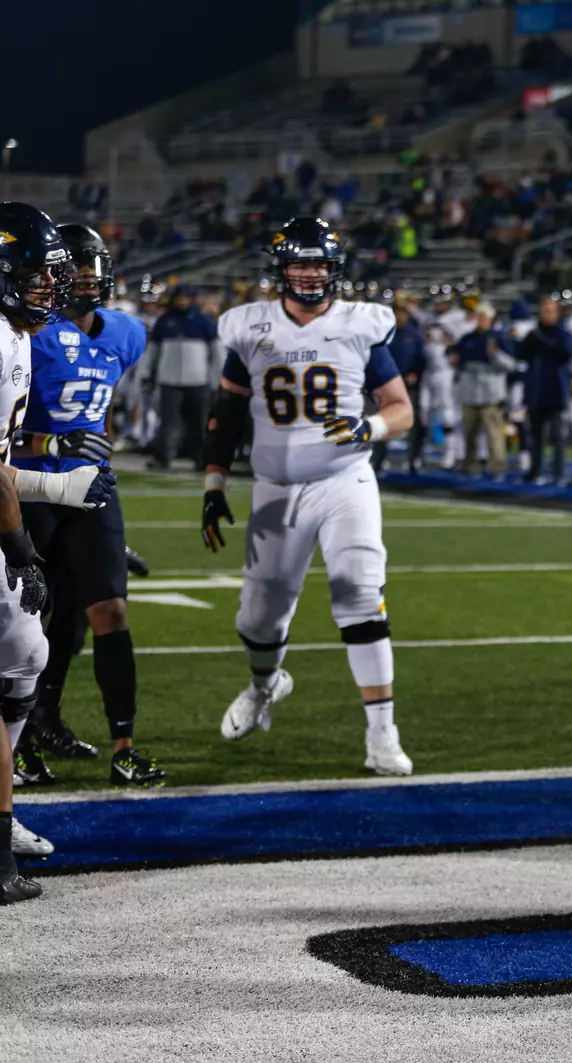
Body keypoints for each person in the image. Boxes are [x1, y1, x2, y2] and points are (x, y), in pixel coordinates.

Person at [201, 216, 416, 776]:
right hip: (274, 487)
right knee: (260, 616)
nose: (309, 273)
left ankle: (382, 735)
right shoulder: (251, 329)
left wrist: (372, 427)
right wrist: (214, 482)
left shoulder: (359, 325)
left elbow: (401, 408)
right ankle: (265, 685)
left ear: (334, 269)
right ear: (281, 269)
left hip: (346, 480)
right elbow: (225, 414)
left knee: (360, 593)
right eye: (299, 263)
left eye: (318, 263)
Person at [15, 223, 165, 788]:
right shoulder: (27, 333)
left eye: (92, 265)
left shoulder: (126, 332)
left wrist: (95, 456)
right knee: (33, 621)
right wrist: (51, 445)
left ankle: (124, 748)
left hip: (93, 485)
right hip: (32, 487)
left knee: (111, 612)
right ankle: (24, 741)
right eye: (73, 266)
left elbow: (98, 413)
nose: (85, 276)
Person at [0, 203, 121, 895]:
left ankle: (2, 807)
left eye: (52, 276)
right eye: (35, 275)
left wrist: (59, 486)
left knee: (25, 652)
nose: (49, 288)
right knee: (21, 650)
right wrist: (22, 548)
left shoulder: (19, 337)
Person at [145, 285, 217, 469]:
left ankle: (201, 457)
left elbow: (216, 352)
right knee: (168, 421)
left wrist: (217, 378)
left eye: (186, 297)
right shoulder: (164, 321)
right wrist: (147, 373)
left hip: (198, 380)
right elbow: (153, 352)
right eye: (179, 297)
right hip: (170, 379)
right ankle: (163, 456)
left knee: (199, 422)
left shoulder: (203, 321)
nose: (182, 300)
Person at [514, 294, 572, 484]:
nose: (547, 314)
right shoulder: (534, 333)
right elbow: (521, 356)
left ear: (557, 313)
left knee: (557, 436)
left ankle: (558, 473)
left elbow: (566, 355)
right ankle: (535, 471)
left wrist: (545, 344)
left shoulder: (563, 334)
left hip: (556, 390)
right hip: (536, 390)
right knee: (536, 435)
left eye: (550, 310)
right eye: (544, 310)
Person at [453, 302, 512, 479]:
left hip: (491, 393)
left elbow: (512, 365)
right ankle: (469, 466)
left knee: (494, 434)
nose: (481, 320)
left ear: (491, 319)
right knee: (469, 433)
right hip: (470, 391)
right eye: (479, 316)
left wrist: (495, 355)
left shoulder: (500, 338)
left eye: (485, 317)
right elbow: (458, 359)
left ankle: (497, 468)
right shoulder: (467, 338)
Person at [383, 297, 425, 472]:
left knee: (414, 422)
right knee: (384, 422)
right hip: (386, 384)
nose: (401, 316)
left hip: (409, 385)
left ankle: (413, 459)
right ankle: (377, 459)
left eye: (403, 313)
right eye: (398, 312)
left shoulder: (414, 335)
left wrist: (416, 374)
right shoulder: (384, 333)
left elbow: (421, 360)